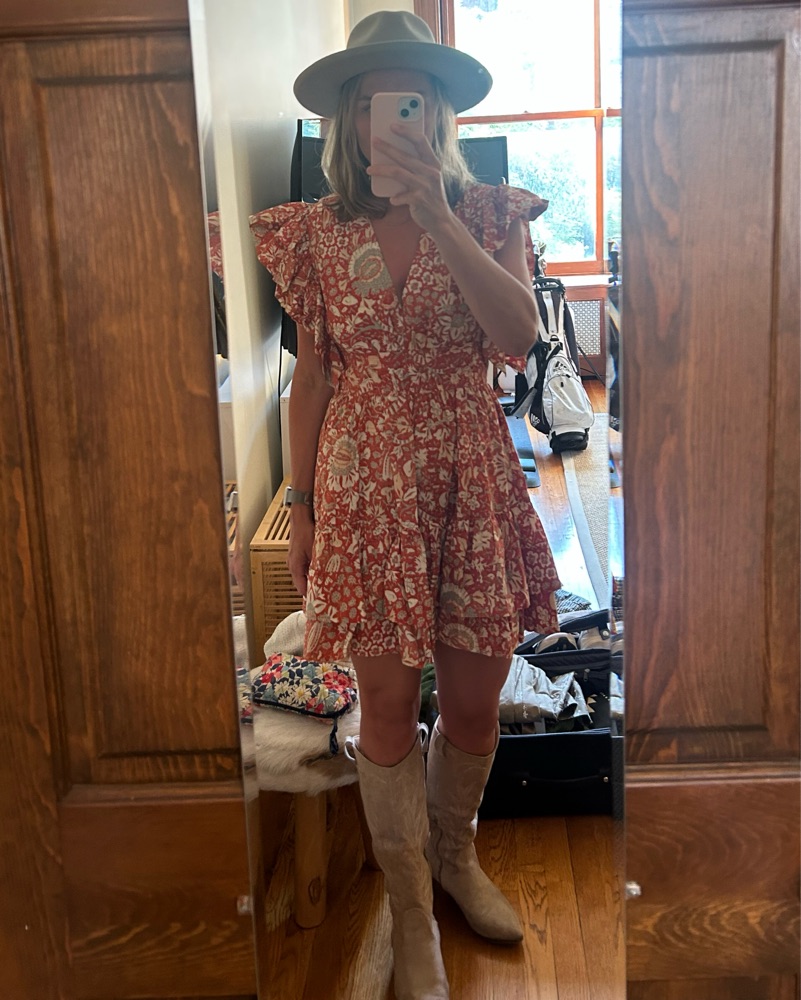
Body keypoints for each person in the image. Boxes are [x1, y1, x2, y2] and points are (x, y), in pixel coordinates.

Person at [251, 11, 560, 999]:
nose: (393, 114)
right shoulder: (312, 233)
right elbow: (311, 379)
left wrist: (437, 215)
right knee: (385, 705)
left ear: (439, 113)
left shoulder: (491, 213)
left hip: (469, 478)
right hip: (364, 488)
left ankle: (454, 858)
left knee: (472, 699)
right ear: (352, 115)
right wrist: (302, 509)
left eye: (413, 97)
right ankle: (408, 902)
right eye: (375, 99)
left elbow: (517, 339)